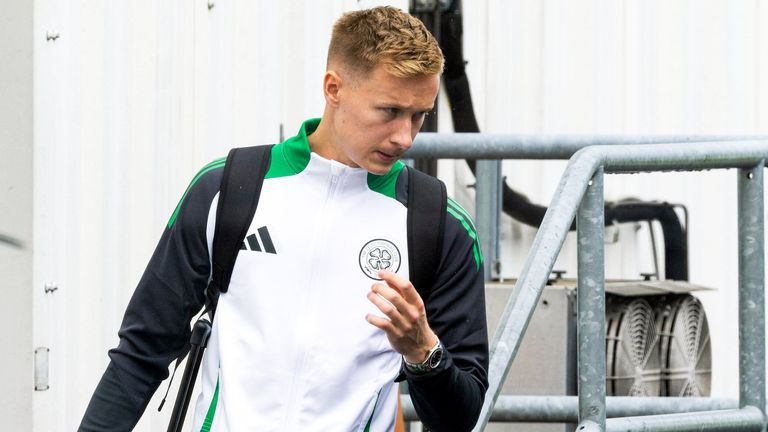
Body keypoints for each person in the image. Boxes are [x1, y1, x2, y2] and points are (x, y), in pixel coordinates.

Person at [79, 6, 488, 431]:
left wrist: (424, 353)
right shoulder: (229, 189)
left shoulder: (440, 223)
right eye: (388, 111)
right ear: (334, 88)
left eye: (419, 115)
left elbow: (462, 418)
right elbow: (141, 353)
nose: (405, 136)